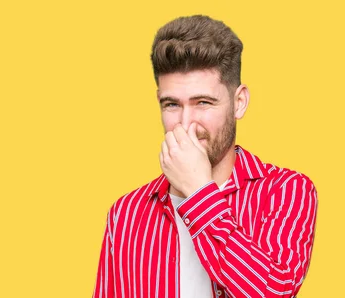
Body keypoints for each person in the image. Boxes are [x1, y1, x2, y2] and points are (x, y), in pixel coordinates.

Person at [92, 15, 318, 298]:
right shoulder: (126, 214)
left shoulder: (286, 191)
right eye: (172, 104)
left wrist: (199, 191)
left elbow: (275, 292)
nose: (187, 124)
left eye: (203, 103)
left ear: (239, 103)